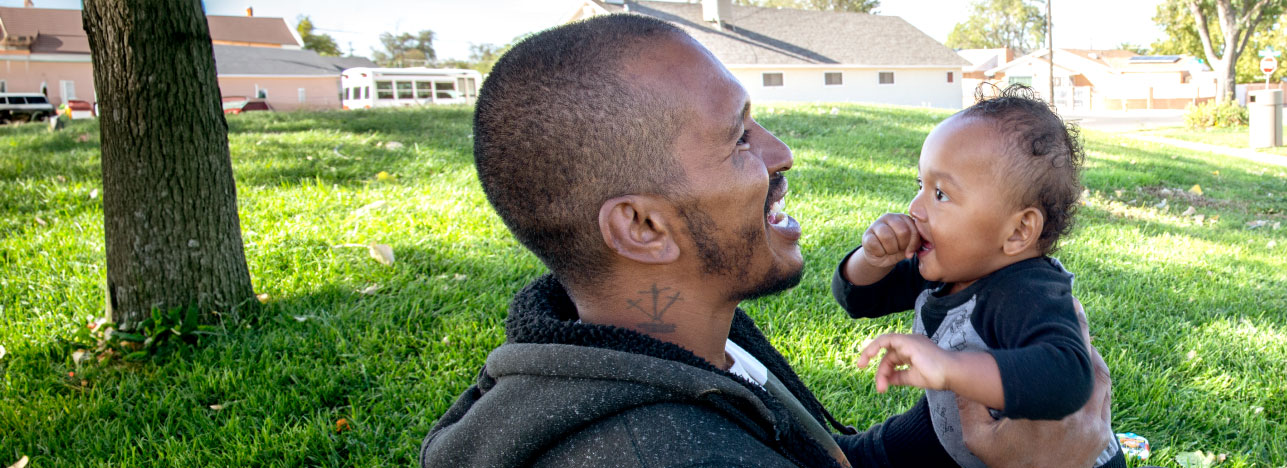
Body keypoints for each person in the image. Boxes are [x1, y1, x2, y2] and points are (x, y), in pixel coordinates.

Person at [418, 13, 1114, 468]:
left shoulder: (679, 344)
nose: (779, 152)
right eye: (738, 137)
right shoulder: (668, 452)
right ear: (643, 227)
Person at [828, 87, 1126, 468]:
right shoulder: (950, 267)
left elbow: (1067, 378)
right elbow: (859, 299)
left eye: (941, 194)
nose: (915, 208)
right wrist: (872, 259)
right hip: (948, 435)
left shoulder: (1028, 291)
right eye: (919, 185)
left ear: (1018, 231)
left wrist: (950, 368)